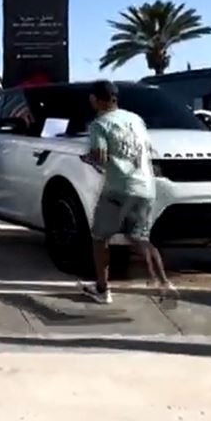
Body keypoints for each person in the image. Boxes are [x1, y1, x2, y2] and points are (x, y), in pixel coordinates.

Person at [80, 80, 176, 304]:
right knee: (140, 239)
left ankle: (102, 289)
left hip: (118, 189)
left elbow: (100, 156)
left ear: (95, 99)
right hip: (146, 187)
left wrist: (89, 158)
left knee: (99, 238)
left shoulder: (99, 124)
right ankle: (164, 283)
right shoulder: (136, 119)